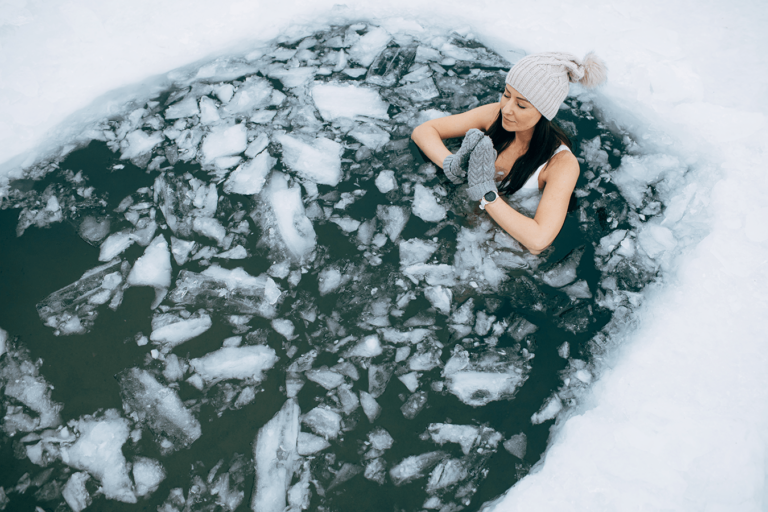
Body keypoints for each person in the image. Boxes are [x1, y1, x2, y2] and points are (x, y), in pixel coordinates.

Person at [411, 52, 607, 254]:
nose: (506, 109)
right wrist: (451, 164)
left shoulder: (561, 164)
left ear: (543, 112)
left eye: (521, 105)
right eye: (506, 94)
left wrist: (486, 193)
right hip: (459, 223)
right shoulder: (494, 115)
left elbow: (539, 240)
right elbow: (423, 131)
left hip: (502, 247)